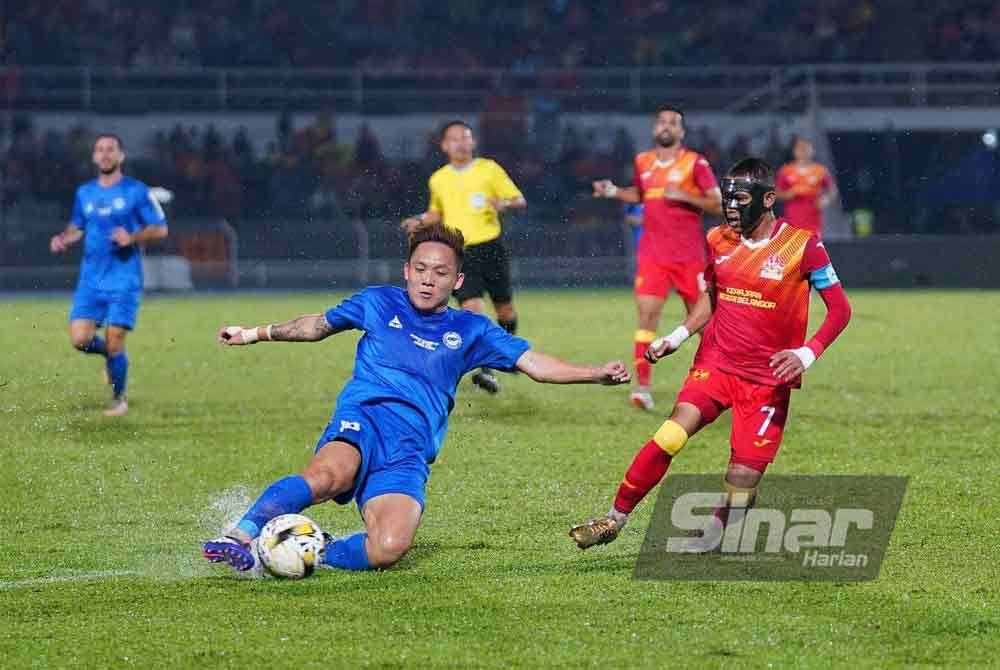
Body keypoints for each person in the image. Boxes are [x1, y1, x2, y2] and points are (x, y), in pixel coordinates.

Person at [204, 224, 630, 574]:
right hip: (363, 420)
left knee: (388, 549)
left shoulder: (472, 330)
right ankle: (239, 536)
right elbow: (315, 325)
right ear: (406, 270)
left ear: (457, 280)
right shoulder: (377, 301)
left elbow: (534, 363)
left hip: (410, 449)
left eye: (440, 272)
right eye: (421, 269)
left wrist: (594, 374)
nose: (429, 279)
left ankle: (312, 549)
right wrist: (253, 333)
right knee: (327, 476)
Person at [570, 158, 851, 550]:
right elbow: (712, 297)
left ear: (768, 199)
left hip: (767, 379)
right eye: (727, 198)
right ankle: (613, 519)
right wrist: (678, 335)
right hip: (716, 362)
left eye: (740, 198)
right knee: (671, 433)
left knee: (742, 479)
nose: (731, 207)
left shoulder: (803, 245)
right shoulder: (718, 239)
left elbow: (840, 310)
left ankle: (716, 534)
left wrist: (807, 354)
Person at [592, 106, 722, 411]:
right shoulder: (643, 161)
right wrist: (613, 191)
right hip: (652, 255)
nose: (666, 127)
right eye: (661, 122)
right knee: (647, 316)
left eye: (673, 123)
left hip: (689, 257)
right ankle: (643, 387)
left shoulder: (695, 163)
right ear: (654, 129)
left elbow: (716, 203)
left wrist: (686, 196)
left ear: (681, 132)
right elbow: (640, 195)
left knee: (703, 323)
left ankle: (716, 379)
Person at [401, 120, 526, 395]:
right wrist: (419, 219)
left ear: (473, 142)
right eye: (454, 138)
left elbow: (518, 199)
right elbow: (437, 213)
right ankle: (487, 370)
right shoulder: (439, 178)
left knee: (505, 310)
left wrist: (503, 203)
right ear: (444, 145)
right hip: (460, 253)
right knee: (472, 310)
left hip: (491, 247)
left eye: (465, 137)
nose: (460, 142)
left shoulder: (489, 169)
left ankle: (510, 350)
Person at [48, 134, 168, 417]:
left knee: (116, 339)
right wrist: (65, 238)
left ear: (121, 156)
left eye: (110, 150)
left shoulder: (136, 191)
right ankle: (109, 357)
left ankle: (119, 399)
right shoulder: (85, 193)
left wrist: (133, 236)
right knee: (80, 339)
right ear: (94, 157)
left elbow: (160, 229)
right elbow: (77, 226)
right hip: (91, 280)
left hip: (124, 278)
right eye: (100, 150)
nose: (105, 154)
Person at [776, 137, 837, 237]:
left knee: (812, 249)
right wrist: (787, 194)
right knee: (795, 250)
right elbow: (776, 192)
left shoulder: (820, 171)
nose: (803, 151)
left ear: (812, 150)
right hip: (793, 221)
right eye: (800, 148)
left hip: (813, 221)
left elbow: (832, 190)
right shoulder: (786, 171)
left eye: (806, 148)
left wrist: (826, 199)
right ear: (794, 151)